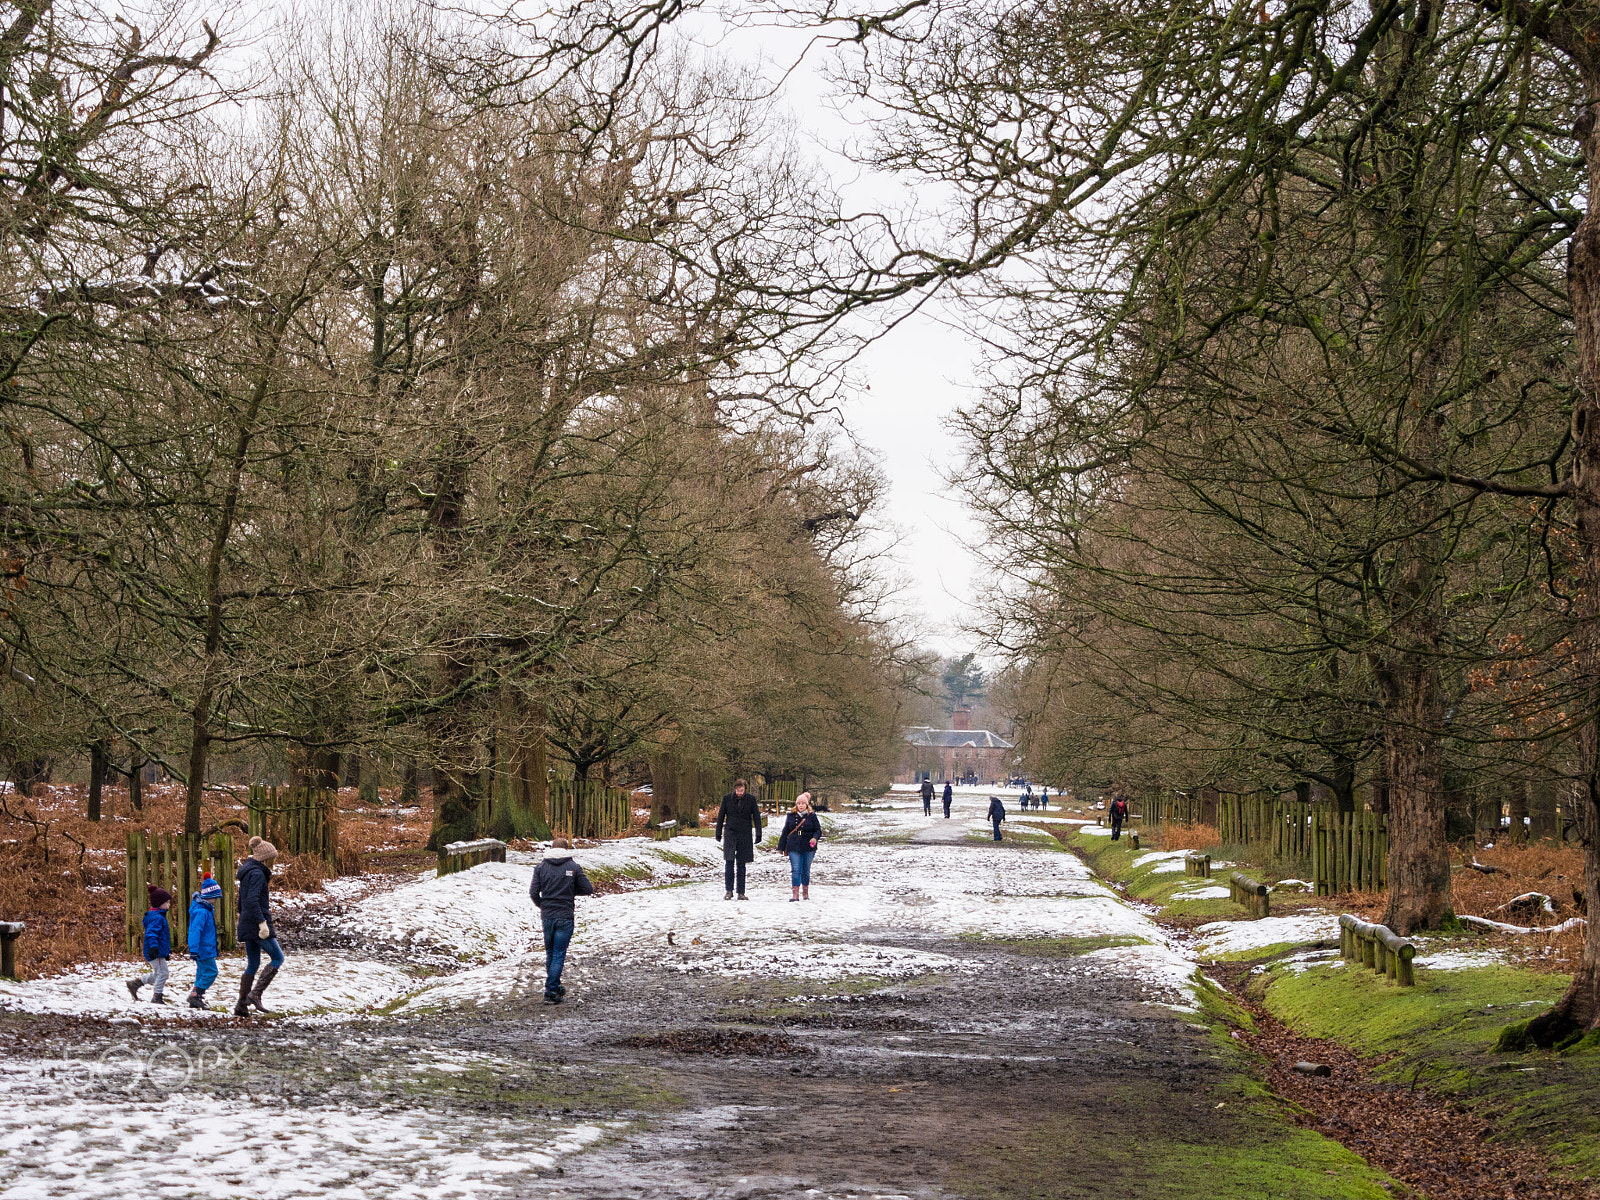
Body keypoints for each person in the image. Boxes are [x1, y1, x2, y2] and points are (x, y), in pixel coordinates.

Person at [531, 836, 594, 1004]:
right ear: (566, 849)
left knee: (551, 953)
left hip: (548, 916)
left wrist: (543, 905)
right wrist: (569, 892)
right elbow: (588, 889)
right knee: (559, 954)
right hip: (565, 915)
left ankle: (555, 985)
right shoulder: (573, 867)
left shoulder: (540, 868)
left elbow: (533, 892)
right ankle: (551, 990)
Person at [234, 837, 285, 1017]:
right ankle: (255, 994)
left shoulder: (249, 872)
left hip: (248, 923)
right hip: (257, 924)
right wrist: (261, 923)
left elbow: (242, 902)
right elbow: (251, 900)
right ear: (266, 858)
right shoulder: (257, 874)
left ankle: (241, 1006)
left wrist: (246, 920)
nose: (274, 861)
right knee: (278, 957)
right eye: (273, 858)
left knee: (253, 964)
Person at [716, 778, 764, 900]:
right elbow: (721, 815)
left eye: (741, 790)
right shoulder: (727, 799)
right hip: (730, 832)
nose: (739, 792)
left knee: (742, 863)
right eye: (737, 790)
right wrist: (718, 833)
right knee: (729, 861)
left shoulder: (751, 799)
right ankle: (729, 890)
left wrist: (758, 833)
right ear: (734, 789)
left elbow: (756, 817)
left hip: (745, 834)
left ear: (745, 789)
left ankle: (741, 892)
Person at [126, 885, 172, 1004]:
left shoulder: (157, 916)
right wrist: (154, 947)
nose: (169, 905)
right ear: (160, 904)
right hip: (153, 950)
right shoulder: (157, 918)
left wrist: (164, 952)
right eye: (167, 902)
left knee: (159, 973)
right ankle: (157, 996)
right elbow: (151, 934)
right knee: (163, 973)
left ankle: (136, 983)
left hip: (157, 951)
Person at [184, 875, 222, 1010]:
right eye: (214, 898)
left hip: (206, 948)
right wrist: (193, 949)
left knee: (201, 973)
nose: (216, 901)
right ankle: (196, 995)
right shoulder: (201, 912)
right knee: (211, 972)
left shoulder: (206, 909)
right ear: (207, 896)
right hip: (202, 949)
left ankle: (195, 997)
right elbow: (195, 931)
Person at [777, 792, 823, 901]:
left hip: (808, 846)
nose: (801, 805)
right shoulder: (791, 816)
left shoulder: (812, 816)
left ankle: (805, 893)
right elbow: (785, 831)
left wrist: (815, 838)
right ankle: (795, 895)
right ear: (796, 805)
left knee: (806, 870)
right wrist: (781, 846)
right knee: (796, 869)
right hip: (793, 846)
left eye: (803, 803)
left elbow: (818, 830)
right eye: (799, 803)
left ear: (807, 805)